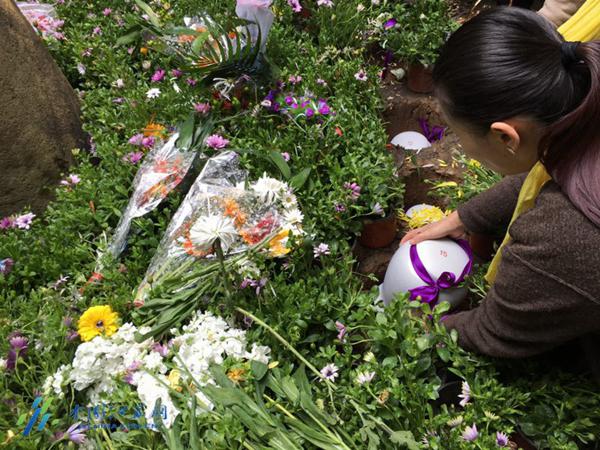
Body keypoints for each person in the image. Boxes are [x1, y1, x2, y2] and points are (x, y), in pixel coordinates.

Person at [401, 8, 600, 374]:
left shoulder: (566, 234)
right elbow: (545, 169)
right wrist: (465, 217)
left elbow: (493, 331)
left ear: (505, 136)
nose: (460, 146)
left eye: (459, 136)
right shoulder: (585, 94)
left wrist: (412, 325)